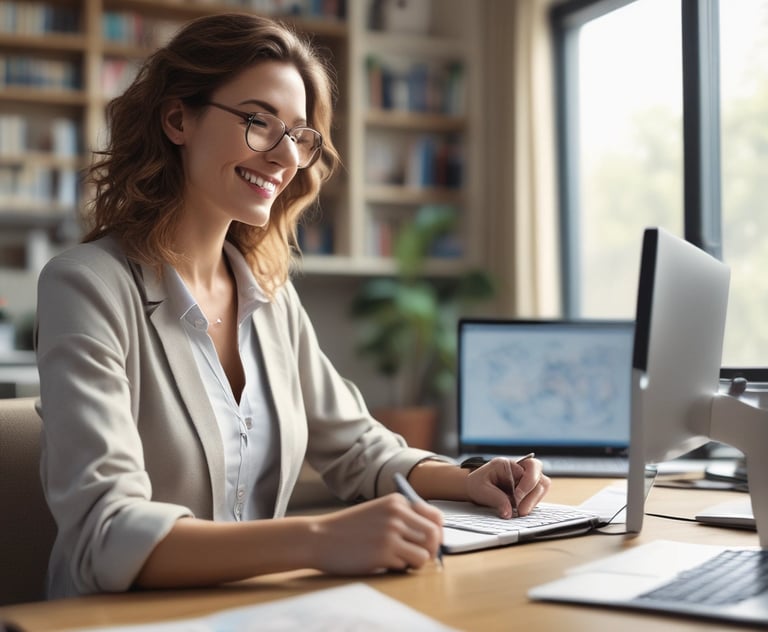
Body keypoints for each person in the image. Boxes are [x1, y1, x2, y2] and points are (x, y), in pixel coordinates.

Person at [34, 13, 551, 599]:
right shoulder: (86, 287)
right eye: (259, 122)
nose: (284, 158)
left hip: (253, 611)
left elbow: (359, 447)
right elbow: (106, 534)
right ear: (178, 118)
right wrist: (316, 540)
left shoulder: (268, 295)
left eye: (300, 136)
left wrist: (467, 479)